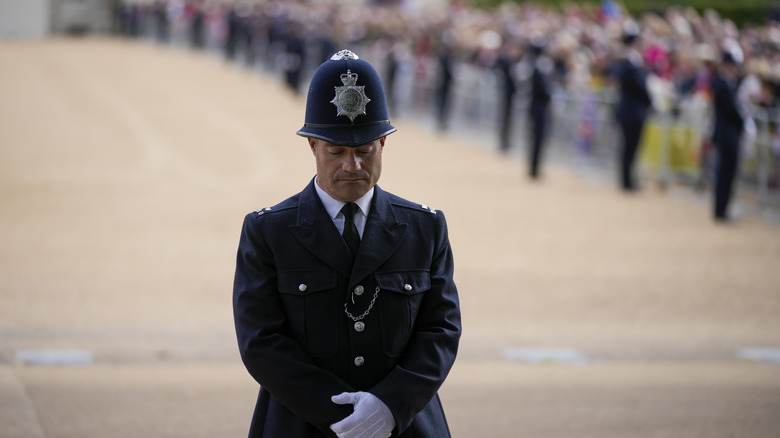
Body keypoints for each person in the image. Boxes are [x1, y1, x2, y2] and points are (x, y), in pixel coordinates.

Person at [233, 49, 462, 438]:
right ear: (312, 146)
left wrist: (389, 406)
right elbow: (261, 341)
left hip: (403, 425)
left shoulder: (424, 227)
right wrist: (344, 416)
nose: (351, 166)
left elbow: (441, 329)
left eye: (365, 151)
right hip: (300, 424)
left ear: (384, 145)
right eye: (336, 151)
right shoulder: (268, 231)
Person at [613, 20, 652, 192]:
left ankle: (627, 179)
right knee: (630, 147)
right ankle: (627, 181)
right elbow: (639, 88)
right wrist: (650, 100)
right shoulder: (629, 64)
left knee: (630, 148)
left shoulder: (629, 63)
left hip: (631, 111)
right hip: (632, 112)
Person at [710, 41, 745, 222]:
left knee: (725, 174)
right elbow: (733, 112)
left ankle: (722, 208)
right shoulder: (723, 85)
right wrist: (745, 121)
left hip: (726, 135)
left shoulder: (724, 84)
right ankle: (721, 210)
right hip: (727, 136)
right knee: (724, 174)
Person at [526, 35, 552, 179]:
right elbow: (543, 88)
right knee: (537, 139)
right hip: (539, 108)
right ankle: (534, 169)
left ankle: (535, 167)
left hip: (537, 107)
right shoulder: (538, 66)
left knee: (537, 139)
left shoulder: (535, 64)